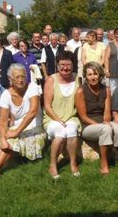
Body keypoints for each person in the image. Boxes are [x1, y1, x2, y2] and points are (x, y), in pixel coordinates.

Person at [0, 64, 45, 187]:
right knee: (5, 140)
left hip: (34, 128)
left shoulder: (32, 87)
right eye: (17, 77)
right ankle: (3, 161)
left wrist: (16, 132)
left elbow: (32, 112)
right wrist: (2, 138)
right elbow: (2, 120)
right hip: (17, 128)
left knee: (11, 142)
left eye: (23, 76)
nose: (21, 80)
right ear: (10, 79)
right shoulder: (6, 95)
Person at [75, 62, 118, 175]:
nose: (93, 77)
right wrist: (102, 125)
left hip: (103, 122)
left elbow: (107, 113)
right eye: (90, 74)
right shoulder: (80, 91)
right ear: (86, 76)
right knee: (105, 129)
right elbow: (83, 117)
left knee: (117, 128)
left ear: (100, 75)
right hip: (88, 126)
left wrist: (107, 122)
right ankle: (104, 164)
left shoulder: (106, 89)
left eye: (95, 74)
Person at [43, 51, 81, 179]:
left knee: (71, 131)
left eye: (68, 65)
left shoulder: (78, 78)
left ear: (73, 65)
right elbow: (47, 106)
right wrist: (58, 120)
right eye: (62, 64)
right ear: (57, 65)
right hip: (52, 117)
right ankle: (53, 165)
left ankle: (73, 163)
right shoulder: (51, 80)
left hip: (71, 116)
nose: (65, 68)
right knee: (60, 132)